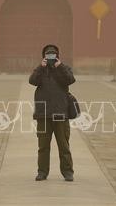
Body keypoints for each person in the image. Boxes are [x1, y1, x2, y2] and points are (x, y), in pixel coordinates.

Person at [28, 44, 75, 182]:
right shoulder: (40, 70)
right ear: (44, 56)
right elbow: (32, 81)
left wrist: (59, 67)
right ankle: (42, 172)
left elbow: (70, 80)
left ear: (58, 56)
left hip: (61, 114)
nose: (50, 58)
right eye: (48, 55)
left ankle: (67, 172)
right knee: (43, 146)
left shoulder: (63, 68)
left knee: (64, 145)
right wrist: (40, 68)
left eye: (53, 55)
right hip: (43, 115)